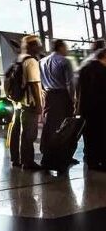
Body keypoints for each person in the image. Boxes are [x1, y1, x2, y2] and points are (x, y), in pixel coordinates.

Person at [9, 35, 44, 170]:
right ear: (32, 46)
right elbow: (34, 84)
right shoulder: (31, 61)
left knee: (17, 132)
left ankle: (16, 159)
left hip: (18, 102)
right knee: (29, 134)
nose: (39, 47)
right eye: (37, 44)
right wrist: (39, 104)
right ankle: (27, 161)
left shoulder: (18, 59)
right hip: (30, 103)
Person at [40, 39, 75, 167]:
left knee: (49, 126)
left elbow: (41, 82)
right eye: (65, 47)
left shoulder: (42, 62)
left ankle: (46, 155)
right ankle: (60, 157)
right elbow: (70, 83)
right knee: (64, 127)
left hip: (48, 95)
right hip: (62, 96)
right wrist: (73, 100)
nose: (67, 50)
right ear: (60, 47)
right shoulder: (65, 61)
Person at [78, 48, 106, 171]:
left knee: (89, 136)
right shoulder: (102, 70)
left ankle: (91, 161)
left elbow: (79, 90)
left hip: (86, 108)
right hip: (101, 109)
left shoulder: (85, 67)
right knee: (102, 135)